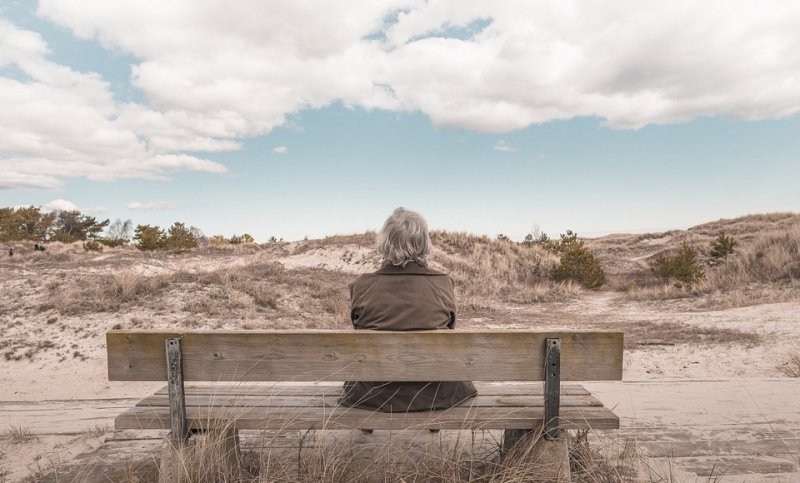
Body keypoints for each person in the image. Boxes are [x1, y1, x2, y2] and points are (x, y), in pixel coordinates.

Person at [338, 207, 477, 412]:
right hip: (436, 392)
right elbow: (450, 330)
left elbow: (359, 330)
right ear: (424, 243)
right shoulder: (444, 284)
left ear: (385, 243)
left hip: (375, 394)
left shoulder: (361, 286)